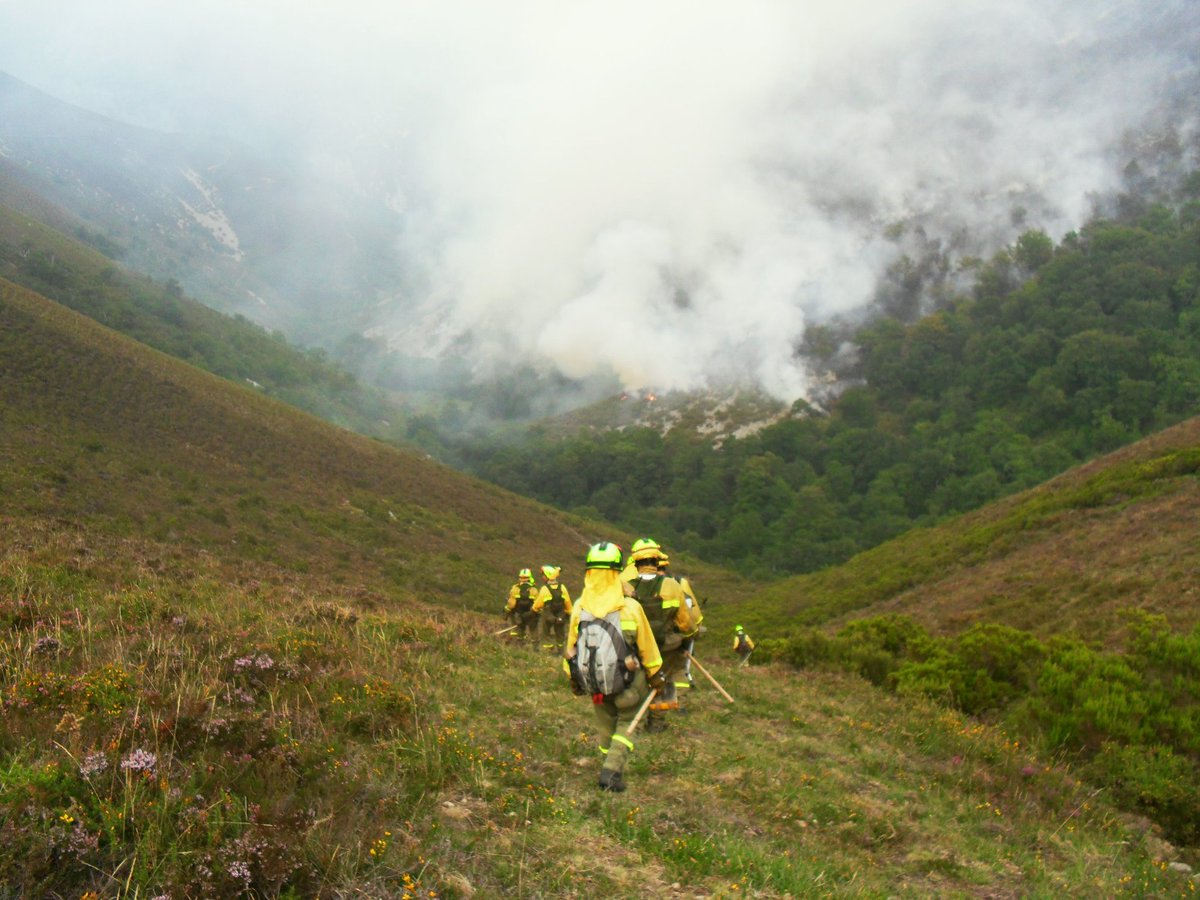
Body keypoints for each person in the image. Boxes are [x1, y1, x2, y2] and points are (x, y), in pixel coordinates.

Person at [564, 541, 664, 793]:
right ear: (617, 572)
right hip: (628, 684)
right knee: (629, 721)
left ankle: (608, 756)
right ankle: (612, 770)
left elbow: (571, 650)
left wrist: (573, 679)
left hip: (594, 684)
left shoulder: (579, 608)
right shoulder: (630, 608)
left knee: (606, 725)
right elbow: (648, 650)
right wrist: (655, 676)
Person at [624, 538, 702, 732]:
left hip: (633, 647)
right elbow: (684, 621)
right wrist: (691, 634)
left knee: (633, 683)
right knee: (662, 682)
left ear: (635, 563)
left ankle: (631, 722)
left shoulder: (624, 586)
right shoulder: (672, 586)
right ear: (657, 562)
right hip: (663, 647)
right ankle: (657, 723)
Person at [534, 564, 572, 654]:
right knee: (560, 634)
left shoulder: (545, 589)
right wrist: (569, 612)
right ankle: (561, 652)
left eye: (543, 575)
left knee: (545, 633)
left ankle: (548, 652)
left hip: (548, 616)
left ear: (547, 576)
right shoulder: (562, 587)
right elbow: (567, 602)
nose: (542, 577)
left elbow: (538, 604)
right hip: (560, 616)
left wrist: (534, 610)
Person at [504, 568, 539, 643]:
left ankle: (520, 645)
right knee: (533, 630)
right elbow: (537, 604)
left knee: (520, 629)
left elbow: (511, 604)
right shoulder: (534, 590)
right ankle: (535, 647)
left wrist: (506, 612)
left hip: (519, 614)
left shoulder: (515, 589)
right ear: (529, 578)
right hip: (530, 614)